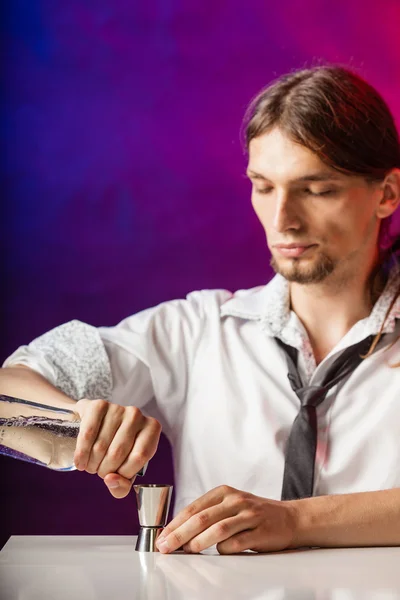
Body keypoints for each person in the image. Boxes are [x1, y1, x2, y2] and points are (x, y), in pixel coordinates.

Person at [1, 65, 400, 555]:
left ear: (386, 194)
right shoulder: (195, 332)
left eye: (317, 190)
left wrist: (295, 521)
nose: (283, 220)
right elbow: (7, 392)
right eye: (263, 186)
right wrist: (74, 420)